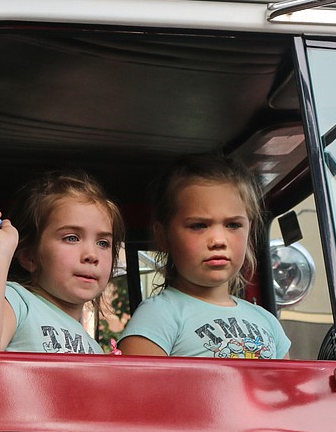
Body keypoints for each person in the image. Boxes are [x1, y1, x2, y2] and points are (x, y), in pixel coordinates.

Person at [119, 154, 290, 359]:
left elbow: (288, 389)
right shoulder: (159, 315)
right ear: (163, 236)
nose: (218, 240)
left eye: (233, 225)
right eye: (199, 226)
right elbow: (137, 389)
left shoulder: (267, 321)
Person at [0, 170, 125, 353]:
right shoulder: (18, 301)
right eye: (71, 238)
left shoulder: (94, 349)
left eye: (103, 243)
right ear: (29, 256)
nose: (91, 255)